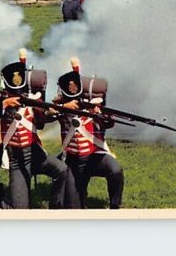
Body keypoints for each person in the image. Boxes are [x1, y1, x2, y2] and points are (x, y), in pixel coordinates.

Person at [0, 49, 68, 209]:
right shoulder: (2, 99)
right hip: (16, 157)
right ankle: (2, 200)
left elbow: (42, 119)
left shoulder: (34, 98)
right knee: (21, 210)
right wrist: (5, 104)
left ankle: (56, 208)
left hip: (35, 152)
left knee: (61, 170)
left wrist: (52, 112)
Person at [51, 58, 124, 209]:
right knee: (73, 209)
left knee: (115, 170)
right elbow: (48, 111)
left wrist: (98, 114)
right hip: (73, 160)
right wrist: (65, 106)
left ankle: (115, 207)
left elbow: (109, 123)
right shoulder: (63, 107)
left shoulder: (96, 108)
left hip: (95, 156)